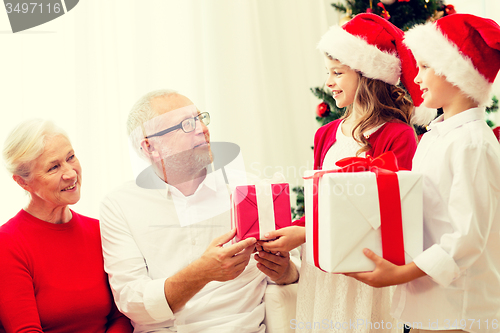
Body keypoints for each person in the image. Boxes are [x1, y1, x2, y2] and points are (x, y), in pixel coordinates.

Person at [259, 13, 431, 332]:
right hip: (322, 272)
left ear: (368, 76)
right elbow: (317, 206)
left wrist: (306, 234)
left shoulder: (397, 135)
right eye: (328, 72)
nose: (328, 83)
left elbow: (389, 217)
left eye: (337, 72)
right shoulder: (325, 135)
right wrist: (280, 234)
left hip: (366, 274)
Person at [346, 14, 500, 333]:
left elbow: (467, 237)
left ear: (456, 73)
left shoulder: (472, 143)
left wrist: (400, 274)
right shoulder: (432, 137)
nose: (415, 78)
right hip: (424, 305)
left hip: (459, 310)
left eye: (426, 66)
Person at [99, 89, 300, 333]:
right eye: (186, 124)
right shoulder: (120, 205)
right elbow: (133, 301)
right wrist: (200, 273)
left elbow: (294, 269)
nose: (202, 128)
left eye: (200, 118)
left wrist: (284, 271)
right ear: (150, 147)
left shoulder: (253, 190)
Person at [0, 119, 132, 333]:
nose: (71, 173)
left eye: (71, 157)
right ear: (23, 182)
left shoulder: (101, 230)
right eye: (54, 167)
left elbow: (123, 315)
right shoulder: (8, 243)